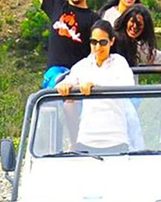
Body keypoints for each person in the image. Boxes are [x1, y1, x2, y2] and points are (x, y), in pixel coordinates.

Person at [55, 20, 136, 153]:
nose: (98, 47)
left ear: (112, 41)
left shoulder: (119, 63)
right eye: (94, 42)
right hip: (87, 139)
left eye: (103, 42)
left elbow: (128, 85)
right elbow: (67, 81)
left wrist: (95, 85)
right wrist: (65, 85)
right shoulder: (83, 65)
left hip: (115, 139)